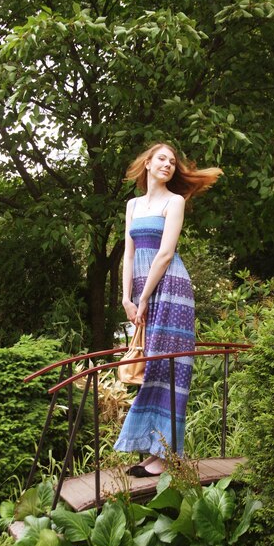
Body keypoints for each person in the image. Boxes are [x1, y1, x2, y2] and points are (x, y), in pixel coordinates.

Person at [114, 142, 223, 477]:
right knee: (151, 368)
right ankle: (153, 451)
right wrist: (126, 298)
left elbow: (164, 253)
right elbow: (129, 254)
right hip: (143, 291)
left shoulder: (175, 202)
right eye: (162, 158)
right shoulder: (132, 205)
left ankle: (164, 455)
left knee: (169, 368)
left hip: (171, 289)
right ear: (147, 163)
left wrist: (143, 297)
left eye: (173, 162)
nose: (168, 164)